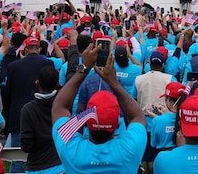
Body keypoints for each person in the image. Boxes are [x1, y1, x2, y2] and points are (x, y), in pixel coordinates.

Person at [51, 43, 146, 174]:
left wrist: (83, 68)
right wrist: (114, 83)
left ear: (87, 123)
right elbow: (138, 116)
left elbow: (59, 107)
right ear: (117, 123)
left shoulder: (71, 148)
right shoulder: (130, 148)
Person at [2, 36, 54, 148]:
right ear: (39, 49)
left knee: (17, 156)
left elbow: (8, 93)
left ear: (25, 49)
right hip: (41, 114)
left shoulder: (13, 66)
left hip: (18, 113)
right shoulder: (48, 64)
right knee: (41, 153)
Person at [19, 66, 64, 174]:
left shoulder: (28, 110)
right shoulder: (64, 107)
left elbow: (26, 146)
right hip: (61, 167)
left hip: (37, 167)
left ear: (37, 83)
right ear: (57, 84)